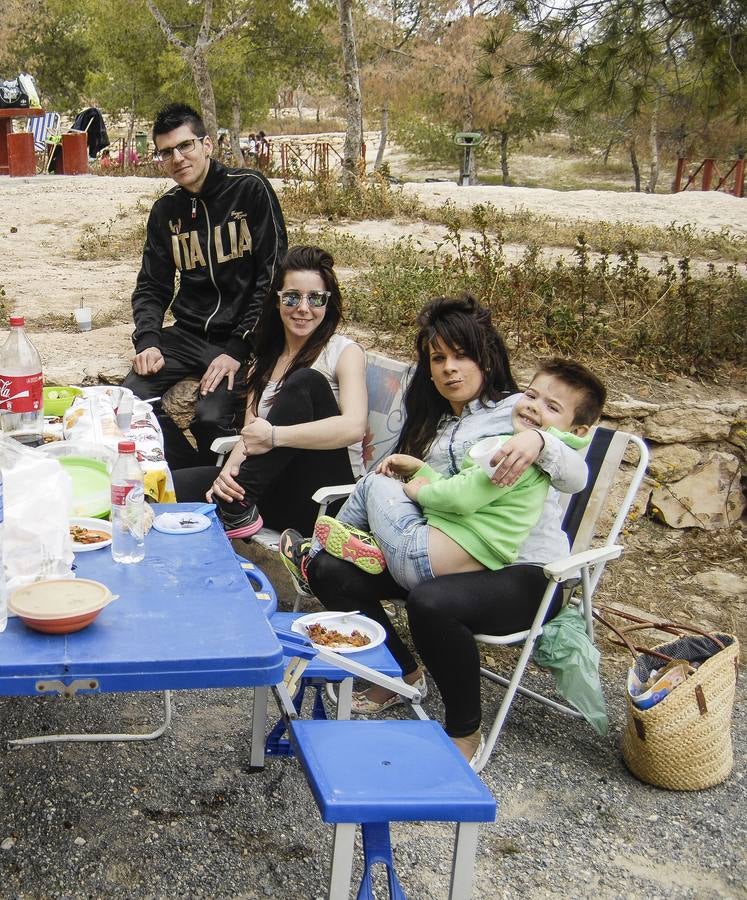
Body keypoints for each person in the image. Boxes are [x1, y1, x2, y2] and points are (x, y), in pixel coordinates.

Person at [293, 295, 591, 761]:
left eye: (462, 355)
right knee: (330, 571)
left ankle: (465, 731)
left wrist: (539, 441)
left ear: (486, 356)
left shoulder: (523, 412)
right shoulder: (440, 422)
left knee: (431, 602)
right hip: (443, 551)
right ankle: (401, 674)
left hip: (524, 572)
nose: (450, 368)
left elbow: (576, 473)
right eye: (439, 358)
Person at [304, 358, 604, 588]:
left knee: (375, 483)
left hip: (426, 558)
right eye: (531, 395)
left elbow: (461, 499)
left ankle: (314, 553)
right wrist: (422, 470)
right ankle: (351, 544)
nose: (533, 407)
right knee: (384, 486)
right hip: (449, 558)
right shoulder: (506, 441)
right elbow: (468, 486)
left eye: (551, 406)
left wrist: (419, 490)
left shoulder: (517, 449)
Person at [124, 103, 287, 471]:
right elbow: (152, 285)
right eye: (167, 151)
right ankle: (185, 473)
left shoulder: (249, 190)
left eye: (186, 146)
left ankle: (207, 483)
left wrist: (238, 346)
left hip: (243, 337)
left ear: (208, 144)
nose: (178, 158)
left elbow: (273, 274)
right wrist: (148, 339)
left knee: (210, 418)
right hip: (187, 333)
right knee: (128, 401)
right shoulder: (166, 211)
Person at [172, 245, 367, 538]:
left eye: (315, 298)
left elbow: (354, 427)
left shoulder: (343, 352)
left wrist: (275, 437)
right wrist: (228, 475)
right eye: (291, 297)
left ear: (328, 302)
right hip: (271, 490)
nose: (303, 308)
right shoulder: (264, 360)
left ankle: (235, 507)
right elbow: (252, 434)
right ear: (276, 301)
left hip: (327, 497)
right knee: (172, 487)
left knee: (306, 381)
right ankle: (233, 505)